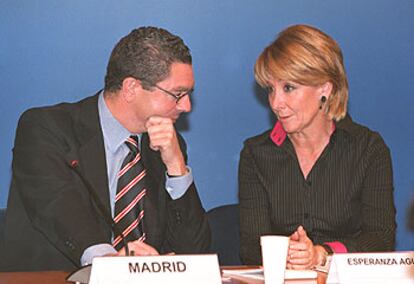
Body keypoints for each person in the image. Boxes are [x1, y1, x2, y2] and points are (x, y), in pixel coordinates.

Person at [1, 26, 210, 271]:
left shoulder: (168, 145)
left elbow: (194, 252)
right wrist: (108, 262)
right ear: (131, 88)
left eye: (188, 94)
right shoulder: (46, 128)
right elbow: (58, 205)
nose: (186, 106)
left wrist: (177, 168)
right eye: (178, 94)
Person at [238, 24, 396, 269]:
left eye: (288, 88)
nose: (276, 103)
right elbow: (250, 246)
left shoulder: (368, 149)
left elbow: (381, 239)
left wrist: (322, 254)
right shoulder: (256, 153)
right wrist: (288, 253)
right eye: (271, 89)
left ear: (325, 88)